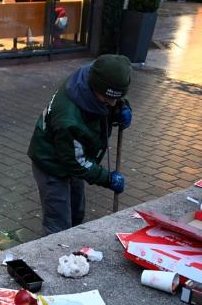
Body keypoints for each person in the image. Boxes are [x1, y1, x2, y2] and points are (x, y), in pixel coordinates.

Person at [27, 54, 132, 236]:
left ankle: (71, 247)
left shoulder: (97, 73)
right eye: (107, 99)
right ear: (94, 88)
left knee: (76, 212)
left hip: (72, 154)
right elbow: (77, 162)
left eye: (117, 97)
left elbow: (112, 98)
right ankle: (53, 255)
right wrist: (107, 179)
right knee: (58, 225)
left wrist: (121, 109)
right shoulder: (69, 119)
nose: (112, 103)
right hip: (51, 163)